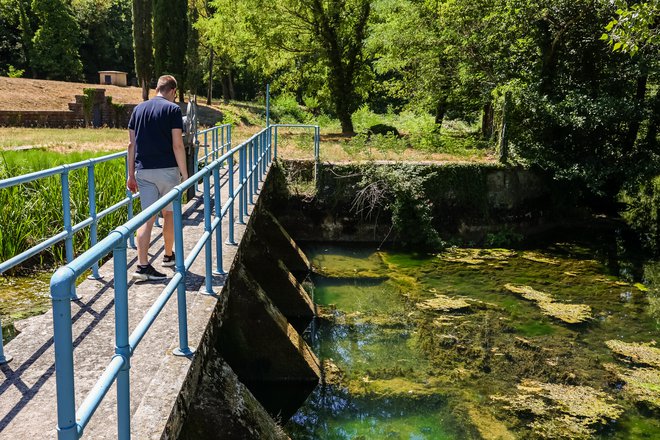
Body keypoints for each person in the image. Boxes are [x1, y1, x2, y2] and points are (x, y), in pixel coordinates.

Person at [126, 75, 188, 281]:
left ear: (157, 89)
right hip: (167, 171)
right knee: (169, 215)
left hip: (143, 171)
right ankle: (168, 256)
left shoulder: (139, 109)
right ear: (172, 91)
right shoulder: (173, 109)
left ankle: (142, 266)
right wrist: (185, 175)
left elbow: (131, 145)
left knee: (147, 217)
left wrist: (130, 175)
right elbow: (177, 145)